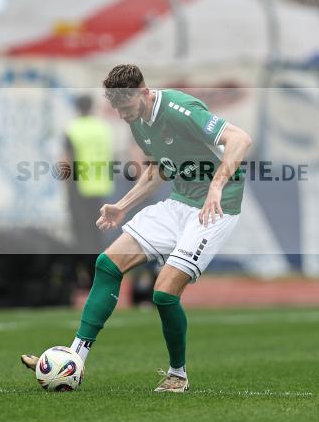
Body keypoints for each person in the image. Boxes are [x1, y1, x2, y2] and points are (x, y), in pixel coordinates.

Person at [21, 64, 253, 392]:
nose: (123, 115)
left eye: (127, 108)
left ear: (144, 93)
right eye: (117, 109)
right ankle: (75, 357)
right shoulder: (138, 121)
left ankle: (178, 374)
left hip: (215, 208)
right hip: (180, 201)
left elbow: (240, 139)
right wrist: (123, 206)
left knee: (163, 292)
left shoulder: (179, 109)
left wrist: (216, 186)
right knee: (107, 264)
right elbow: (159, 170)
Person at [63, 94, 114, 287]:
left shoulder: (73, 129)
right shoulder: (103, 128)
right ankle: (99, 274)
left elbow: (66, 161)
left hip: (80, 187)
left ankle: (82, 277)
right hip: (101, 186)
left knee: (81, 233)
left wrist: (65, 187)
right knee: (98, 234)